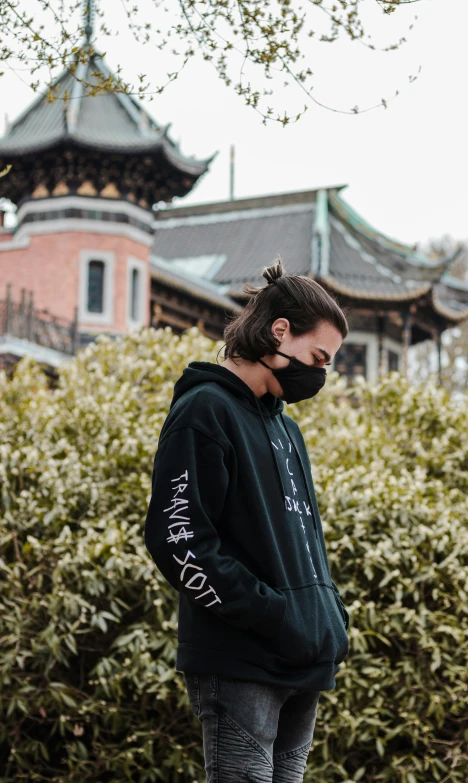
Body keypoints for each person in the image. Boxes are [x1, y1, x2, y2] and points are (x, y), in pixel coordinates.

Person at [144, 258, 351, 782]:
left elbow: (303, 541)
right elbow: (178, 537)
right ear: (279, 332)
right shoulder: (204, 411)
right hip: (240, 662)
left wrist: (327, 615)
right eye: (317, 357)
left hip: (303, 663)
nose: (320, 374)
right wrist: (273, 616)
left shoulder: (288, 431)